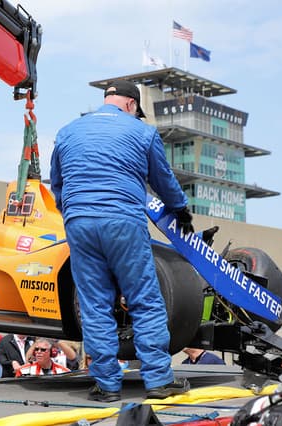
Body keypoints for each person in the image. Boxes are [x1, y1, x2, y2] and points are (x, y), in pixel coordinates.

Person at [50, 79, 193, 402]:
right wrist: (180, 209)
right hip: (123, 221)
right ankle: (158, 379)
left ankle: (106, 385)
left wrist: (73, 214)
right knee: (143, 297)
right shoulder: (142, 132)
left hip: (79, 223)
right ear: (131, 105)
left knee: (94, 303)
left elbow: (57, 184)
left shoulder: (68, 131)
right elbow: (162, 180)